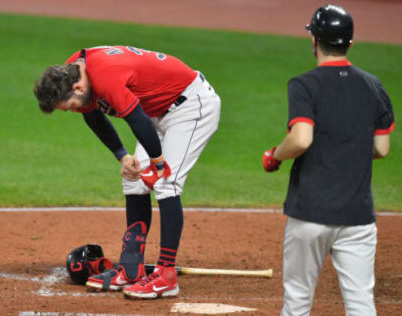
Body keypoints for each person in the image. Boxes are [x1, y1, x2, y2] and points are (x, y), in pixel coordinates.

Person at [34, 45, 221, 299]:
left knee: (166, 183)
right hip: (156, 113)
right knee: (133, 181)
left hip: (190, 108)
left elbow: (136, 120)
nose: (72, 110)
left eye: (70, 106)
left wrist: (158, 164)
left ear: (77, 89)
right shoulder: (75, 70)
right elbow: (93, 116)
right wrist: (123, 156)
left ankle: (166, 276)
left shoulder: (105, 75)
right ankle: (132, 268)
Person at [262, 5, 395, 316]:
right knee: (361, 302)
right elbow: (381, 147)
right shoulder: (373, 85)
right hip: (358, 216)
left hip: (310, 213)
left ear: (314, 41)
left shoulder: (305, 84)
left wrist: (274, 156)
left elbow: (301, 139)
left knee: (297, 300)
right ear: (349, 43)